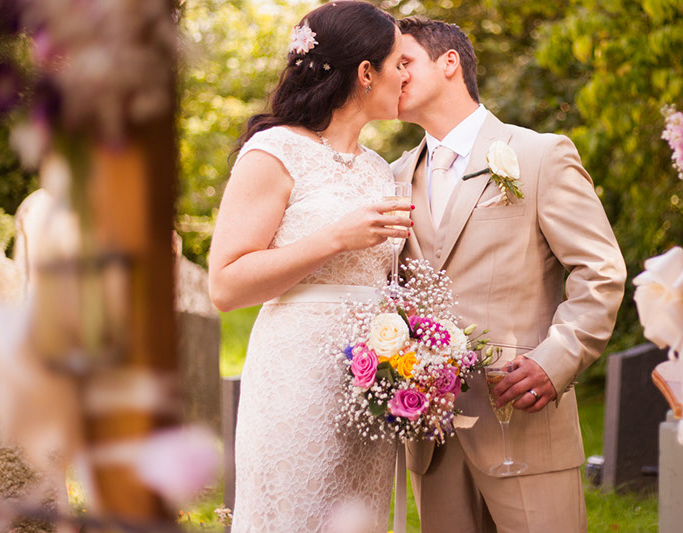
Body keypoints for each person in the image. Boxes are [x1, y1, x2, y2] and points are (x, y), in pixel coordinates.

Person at [393, 16, 627, 533]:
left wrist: (557, 358)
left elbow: (600, 270)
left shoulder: (540, 155)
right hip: (432, 436)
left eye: (404, 62)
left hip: (522, 420)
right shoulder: (391, 178)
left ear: (449, 62)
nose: (393, 76)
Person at [207, 2, 411, 531]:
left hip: (372, 381)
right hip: (296, 376)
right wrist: (333, 240)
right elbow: (225, 285)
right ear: (366, 73)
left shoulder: (380, 170)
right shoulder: (274, 152)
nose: (407, 74)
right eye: (398, 63)